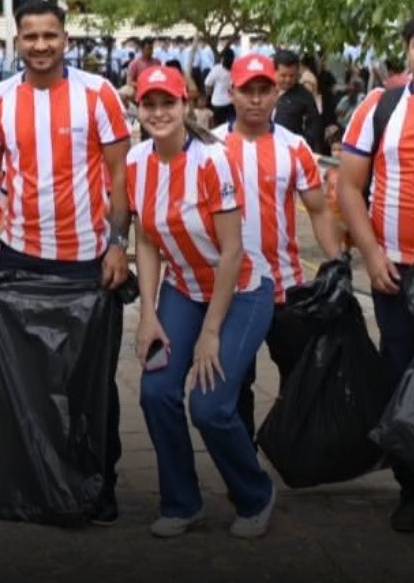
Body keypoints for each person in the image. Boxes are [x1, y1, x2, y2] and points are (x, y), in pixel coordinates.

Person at [0, 0, 131, 523]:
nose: (41, 45)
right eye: (31, 36)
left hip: (87, 259)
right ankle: (35, 480)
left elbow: (121, 175)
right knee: (30, 378)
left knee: (92, 381)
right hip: (21, 258)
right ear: (17, 41)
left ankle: (100, 482)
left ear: (66, 39)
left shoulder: (98, 94)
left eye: (50, 36)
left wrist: (119, 242)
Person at [130, 65, 277, 539]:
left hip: (242, 290)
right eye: (148, 104)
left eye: (167, 103)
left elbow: (232, 251)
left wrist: (210, 333)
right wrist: (148, 315)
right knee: (155, 393)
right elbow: (148, 241)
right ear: (138, 108)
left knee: (210, 406)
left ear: (185, 105)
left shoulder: (213, 159)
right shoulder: (135, 163)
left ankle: (255, 493)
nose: (158, 113)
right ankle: (182, 501)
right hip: (183, 288)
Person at [338, 7, 414, 534]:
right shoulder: (381, 106)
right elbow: (349, 188)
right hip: (397, 274)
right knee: (402, 383)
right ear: (408, 51)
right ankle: (413, 493)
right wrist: (370, 256)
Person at [223, 53, 341, 438]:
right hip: (233, 290)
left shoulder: (295, 148)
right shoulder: (211, 149)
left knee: (299, 374)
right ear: (232, 93)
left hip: (286, 287)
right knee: (236, 382)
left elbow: (319, 210)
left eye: (263, 90)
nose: (255, 99)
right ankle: (244, 465)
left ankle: (289, 446)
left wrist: (337, 262)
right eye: (247, 91)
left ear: (277, 93)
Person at [273, 47, 326, 153]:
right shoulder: (265, 91)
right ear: (274, 72)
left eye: (292, 76)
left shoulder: (304, 97)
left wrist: (299, 147)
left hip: (290, 152)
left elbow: (314, 127)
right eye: (283, 75)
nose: (288, 80)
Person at [205, 46, 237, 126]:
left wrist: (209, 95)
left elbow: (207, 84)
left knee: (219, 127)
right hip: (232, 102)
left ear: (223, 58)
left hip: (218, 102)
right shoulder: (235, 69)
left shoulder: (217, 69)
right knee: (231, 125)